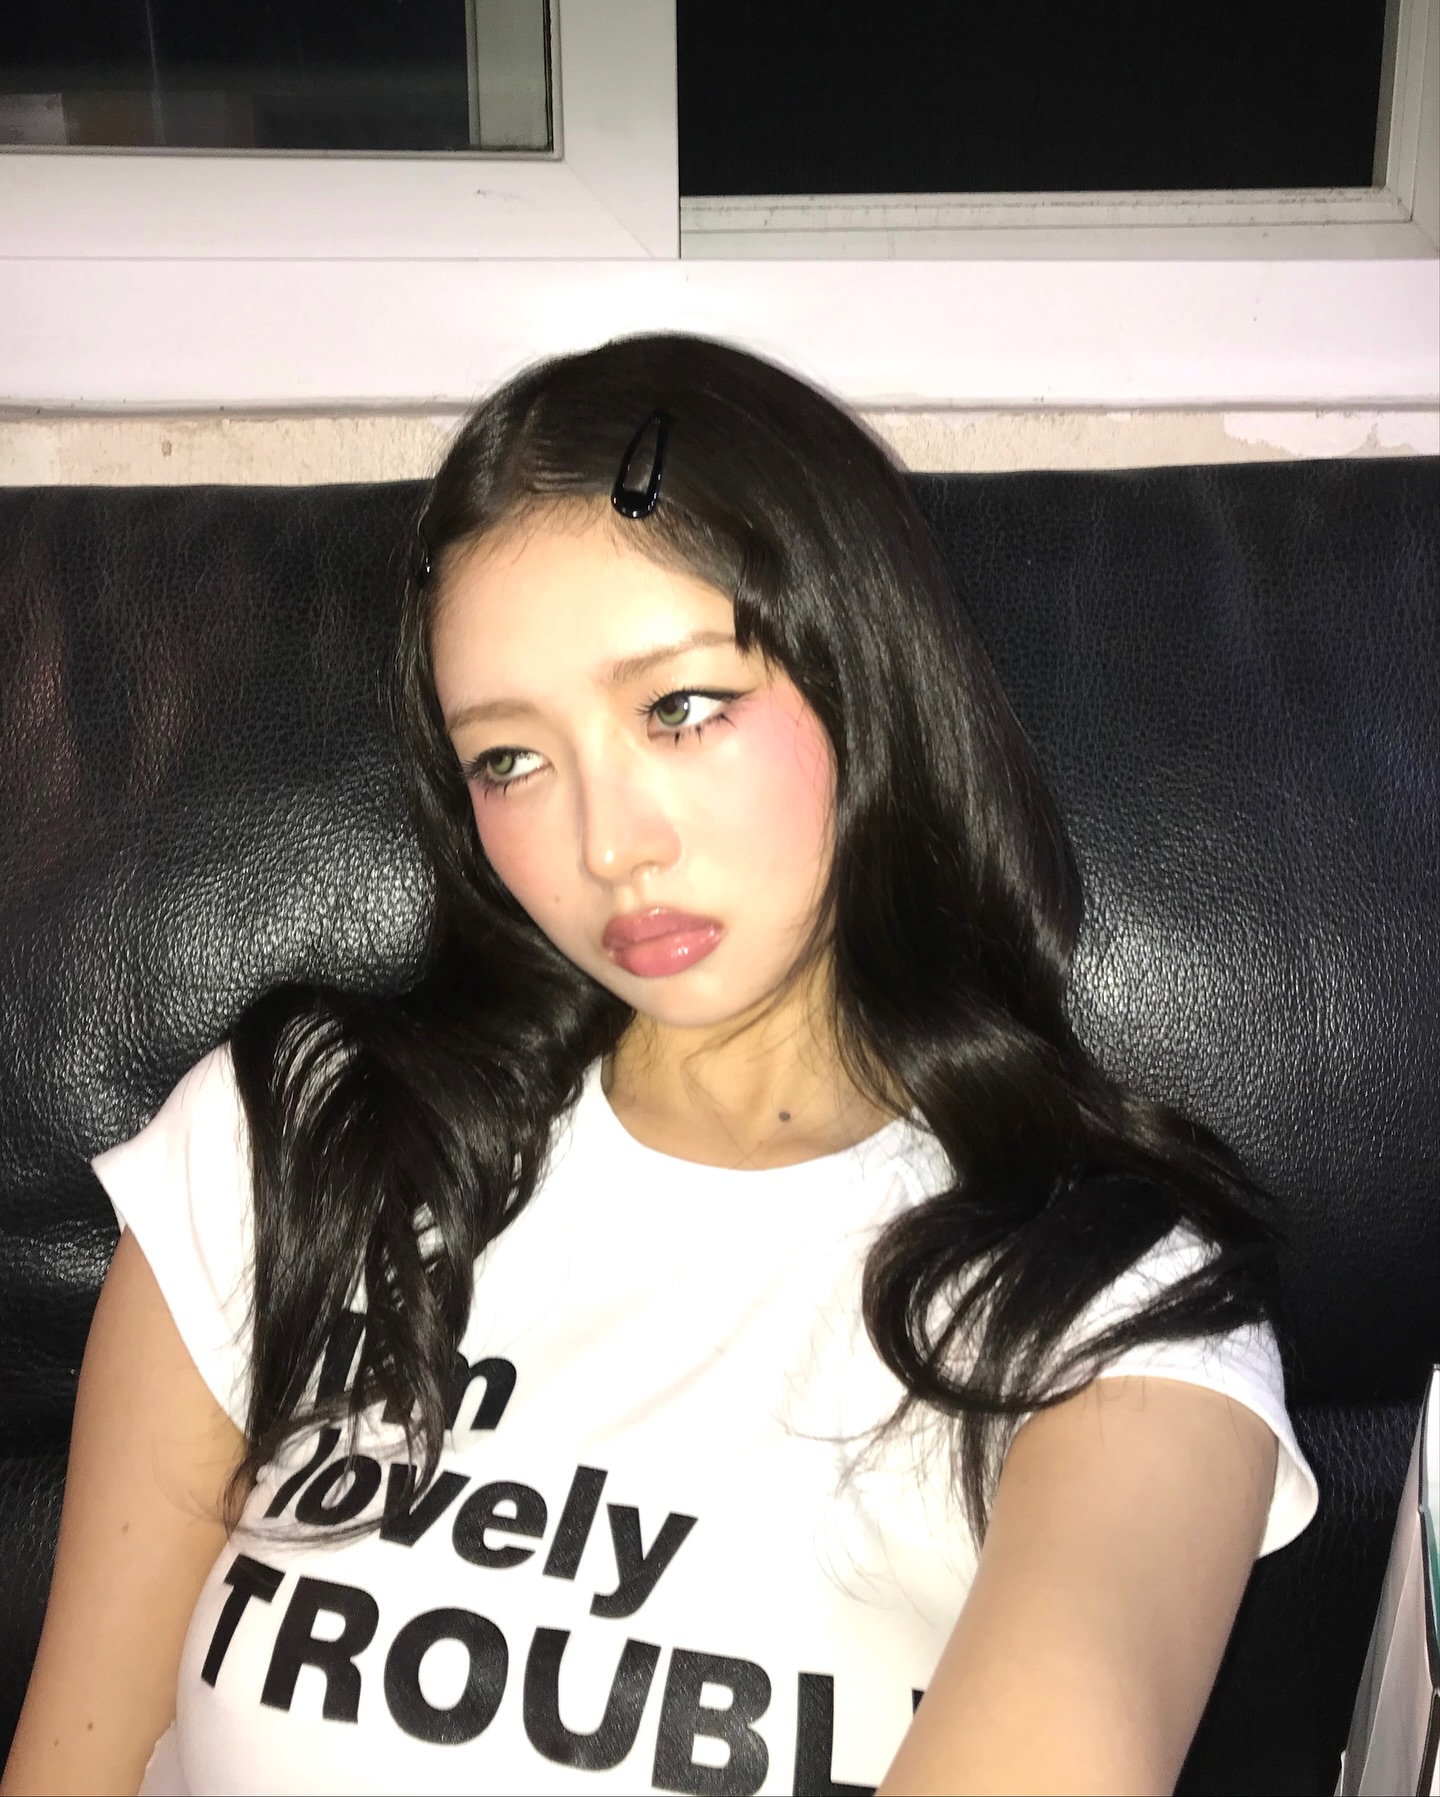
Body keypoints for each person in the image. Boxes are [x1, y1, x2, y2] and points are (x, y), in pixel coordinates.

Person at [2, 334, 1318, 1797]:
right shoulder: (296, 1137)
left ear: (868, 680)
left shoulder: (1112, 1307)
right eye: (510, 759)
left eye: (682, 708)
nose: (606, 844)